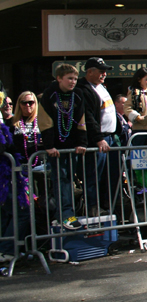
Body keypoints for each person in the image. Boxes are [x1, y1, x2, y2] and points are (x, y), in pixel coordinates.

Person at [39, 64, 88, 225]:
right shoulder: (49, 94)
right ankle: (64, 214)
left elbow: (81, 121)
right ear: (59, 78)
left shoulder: (78, 94)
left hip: (71, 146)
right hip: (56, 148)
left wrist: (81, 142)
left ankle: (69, 213)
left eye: (75, 78)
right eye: (69, 78)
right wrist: (49, 145)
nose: (73, 82)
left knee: (69, 179)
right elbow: (45, 121)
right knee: (60, 179)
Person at [0, 91, 40, 258]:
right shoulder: (11, 124)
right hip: (17, 175)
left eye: (31, 102)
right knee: (21, 210)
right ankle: (8, 249)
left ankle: (24, 247)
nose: (28, 106)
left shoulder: (42, 122)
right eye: (24, 103)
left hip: (40, 173)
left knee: (37, 210)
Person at [76, 57, 117, 215]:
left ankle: (107, 205)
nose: (104, 74)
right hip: (97, 140)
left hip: (110, 138)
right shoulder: (83, 89)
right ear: (90, 71)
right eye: (101, 71)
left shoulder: (101, 87)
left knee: (109, 176)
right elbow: (88, 117)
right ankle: (93, 207)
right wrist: (98, 138)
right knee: (94, 176)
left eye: (105, 71)